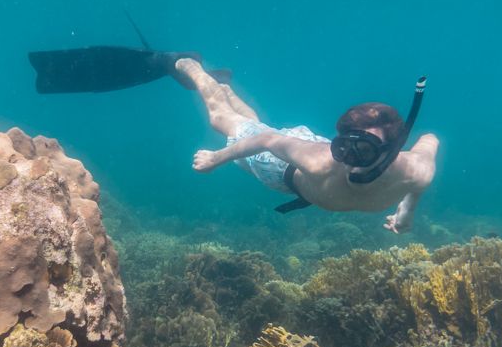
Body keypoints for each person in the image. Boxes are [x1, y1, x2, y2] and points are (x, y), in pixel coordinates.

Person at [175, 58, 439, 234]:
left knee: (252, 124)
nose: (350, 162)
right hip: (278, 166)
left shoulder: (417, 171)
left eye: (365, 150)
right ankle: (191, 66)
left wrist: (406, 212)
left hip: (297, 148)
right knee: (221, 120)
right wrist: (215, 158)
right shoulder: (322, 162)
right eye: (344, 147)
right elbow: (266, 141)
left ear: (391, 151)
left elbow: (430, 140)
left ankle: (224, 87)